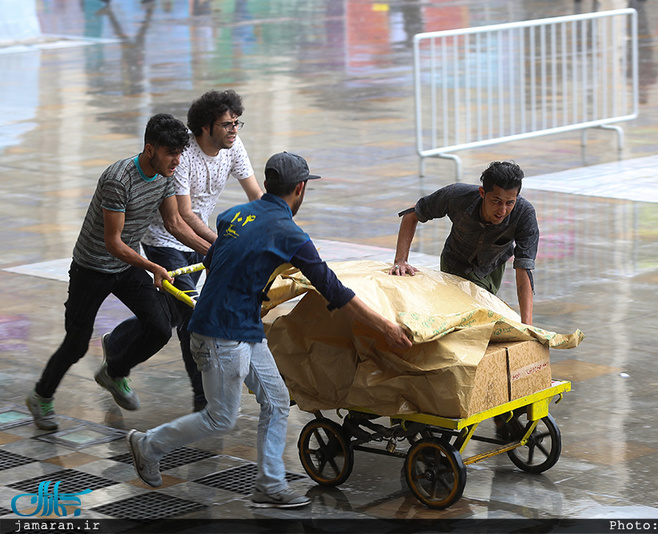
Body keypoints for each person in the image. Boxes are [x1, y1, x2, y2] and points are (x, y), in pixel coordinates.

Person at [126, 152, 412, 508]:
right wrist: (385, 327)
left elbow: (216, 262)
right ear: (300, 188)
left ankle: (269, 485)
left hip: (242, 327)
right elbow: (333, 290)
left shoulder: (234, 215)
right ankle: (148, 444)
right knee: (220, 417)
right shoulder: (290, 233)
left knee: (276, 401)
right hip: (221, 335)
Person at [26, 113, 211, 431]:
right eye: (171, 153)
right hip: (92, 268)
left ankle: (114, 371)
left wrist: (216, 252)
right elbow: (112, 242)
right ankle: (41, 396)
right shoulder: (118, 179)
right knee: (77, 344)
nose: (177, 161)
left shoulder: (166, 175)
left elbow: (174, 223)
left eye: (180, 154)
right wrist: (153, 265)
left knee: (159, 328)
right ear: (150, 149)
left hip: (126, 266)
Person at [118, 89, 262, 413]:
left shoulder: (233, 147)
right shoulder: (183, 155)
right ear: (204, 127)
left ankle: (115, 347)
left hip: (199, 237)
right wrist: (221, 246)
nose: (234, 130)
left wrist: (274, 222)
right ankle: (204, 399)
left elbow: (255, 192)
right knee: (191, 317)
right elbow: (182, 217)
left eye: (237, 123)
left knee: (168, 316)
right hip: (165, 241)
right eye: (227, 124)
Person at [390, 161, 538, 324]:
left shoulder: (525, 214)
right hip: (454, 261)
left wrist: (527, 325)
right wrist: (400, 261)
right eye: (496, 201)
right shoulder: (456, 196)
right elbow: (412, 215)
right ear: (482, 193)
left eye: (510, 202)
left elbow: (524, 267)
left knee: (477, 317)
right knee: (454, 314)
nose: (502, 210)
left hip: (489, 269)